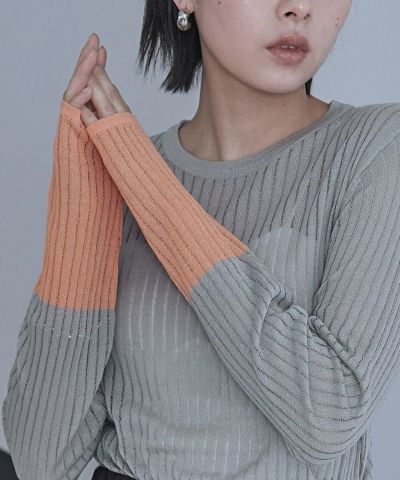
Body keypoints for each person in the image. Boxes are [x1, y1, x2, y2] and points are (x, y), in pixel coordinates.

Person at [3, 1, 400, 480]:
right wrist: (81, 211)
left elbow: (328, 420)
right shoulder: (125, 165)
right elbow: (41, 461)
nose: (298, 7)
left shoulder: (376, 148)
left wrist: (149, 186)